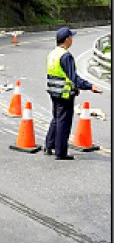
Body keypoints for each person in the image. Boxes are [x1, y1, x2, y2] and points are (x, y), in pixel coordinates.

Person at [45, 26, 102, 160]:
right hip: (65, 94)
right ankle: (61, 152)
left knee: (56, 119)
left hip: (54, 92)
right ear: (66, 39)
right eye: (71, 37)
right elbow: (74, 78)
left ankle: (49, 145)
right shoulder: (66, 56)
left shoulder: (52, 54)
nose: (72, 39)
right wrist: (90, 86)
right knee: (63, 123)